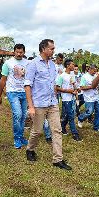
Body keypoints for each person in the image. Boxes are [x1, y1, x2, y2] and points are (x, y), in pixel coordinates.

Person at [24, 39, 72, 170]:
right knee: (37, 131)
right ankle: (30, 149)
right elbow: (27, 85)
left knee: (57, 130)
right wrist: (31, 106)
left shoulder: (52, 65)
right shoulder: (33, 64)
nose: (53, 51)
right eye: (51, 48)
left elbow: (53, 84)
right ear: (43, 49)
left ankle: (58, 159)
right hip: (39, 103)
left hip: (52, 102)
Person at [0, 44, 30, 149]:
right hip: (12, 92)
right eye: (17, 52)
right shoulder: (8, 63)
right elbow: (3, 79)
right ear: (14, 52)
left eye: (21, 52)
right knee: (18, 114)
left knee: (24, 116)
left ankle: (21, 137)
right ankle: (17, 138)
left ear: (24, 52)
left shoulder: (28, 63)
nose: (19, 54)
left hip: (25, 92)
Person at [56, 59, 82, 141]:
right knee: (71, 116)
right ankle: (75, 134)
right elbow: (57, 87)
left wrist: (77, 89)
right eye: (72, 65)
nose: (74, 66)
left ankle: (62, 126)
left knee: (69, 114)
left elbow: (73, 83)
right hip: (66, 99)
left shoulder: (72, 74)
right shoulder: (62, 76)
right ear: (67, 66)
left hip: (72, 98)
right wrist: (68, 91)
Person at [78, 64, 99, 132]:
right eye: (94, 71)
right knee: (89, 112)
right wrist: (92, 86)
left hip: (97, 97)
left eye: (96, 71)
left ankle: (96, 127)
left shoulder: (96, 76)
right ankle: (80, 118)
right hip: (89, 98)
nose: (95, 72)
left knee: (98, 112)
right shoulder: (85, 77)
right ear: (89, 69)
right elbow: (82, 87)